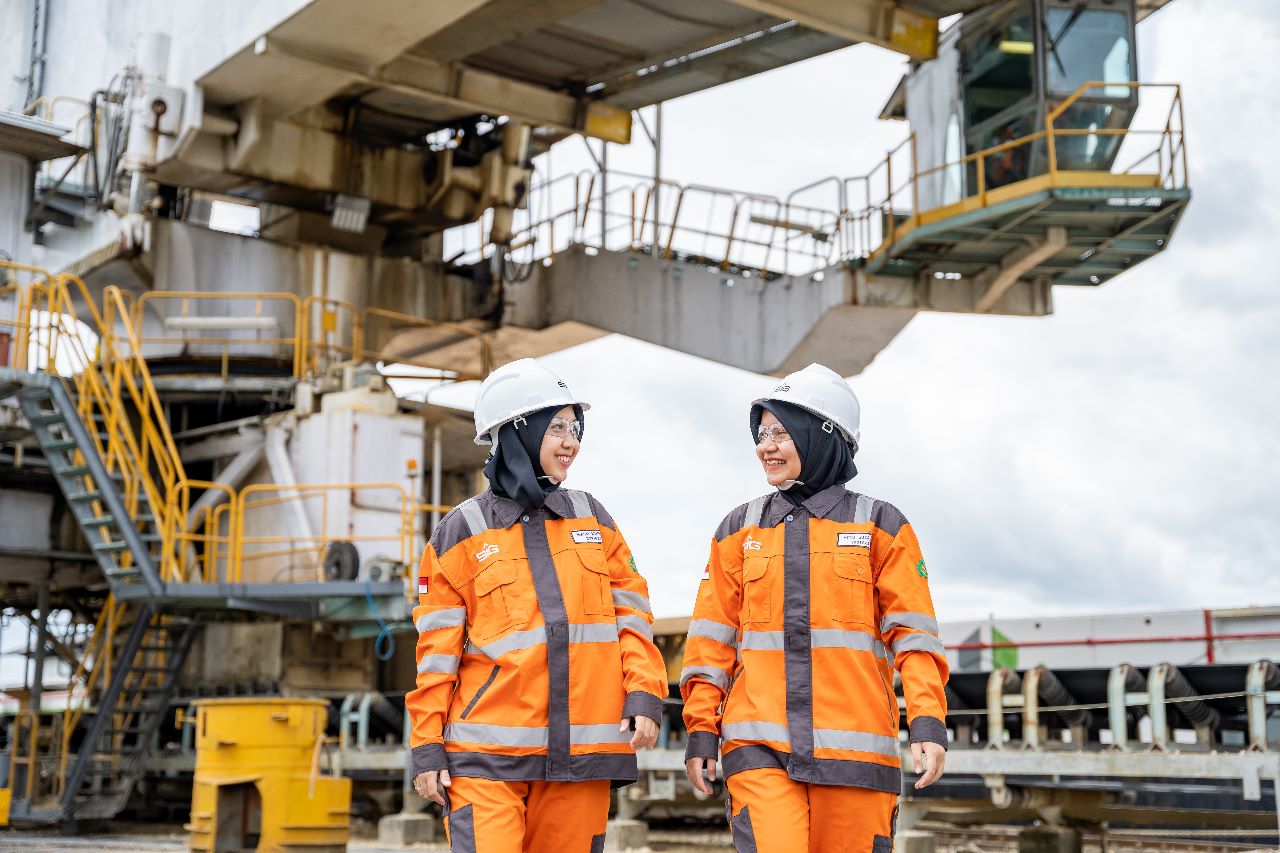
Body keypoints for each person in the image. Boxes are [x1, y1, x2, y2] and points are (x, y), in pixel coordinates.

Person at [681, 363, 949, 852]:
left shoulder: (881, 526)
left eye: (781, 433)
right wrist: (701, 729)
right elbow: (710, 641)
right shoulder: (739, 530)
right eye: (761, 434)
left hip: (856, 751)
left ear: (823, 435)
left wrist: (927, 722)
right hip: (758, 747)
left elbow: (914, 636)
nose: (766, 446)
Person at [406, 358, 668, 853]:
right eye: (557, 428)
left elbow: (632, 615)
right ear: (516, 432)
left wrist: (645, 693)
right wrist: (426, 745)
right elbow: (435, 656)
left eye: (576, 428)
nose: (572, 441)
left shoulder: (595, 519)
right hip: (484, 760)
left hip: (582, 756)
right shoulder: (459, 533)